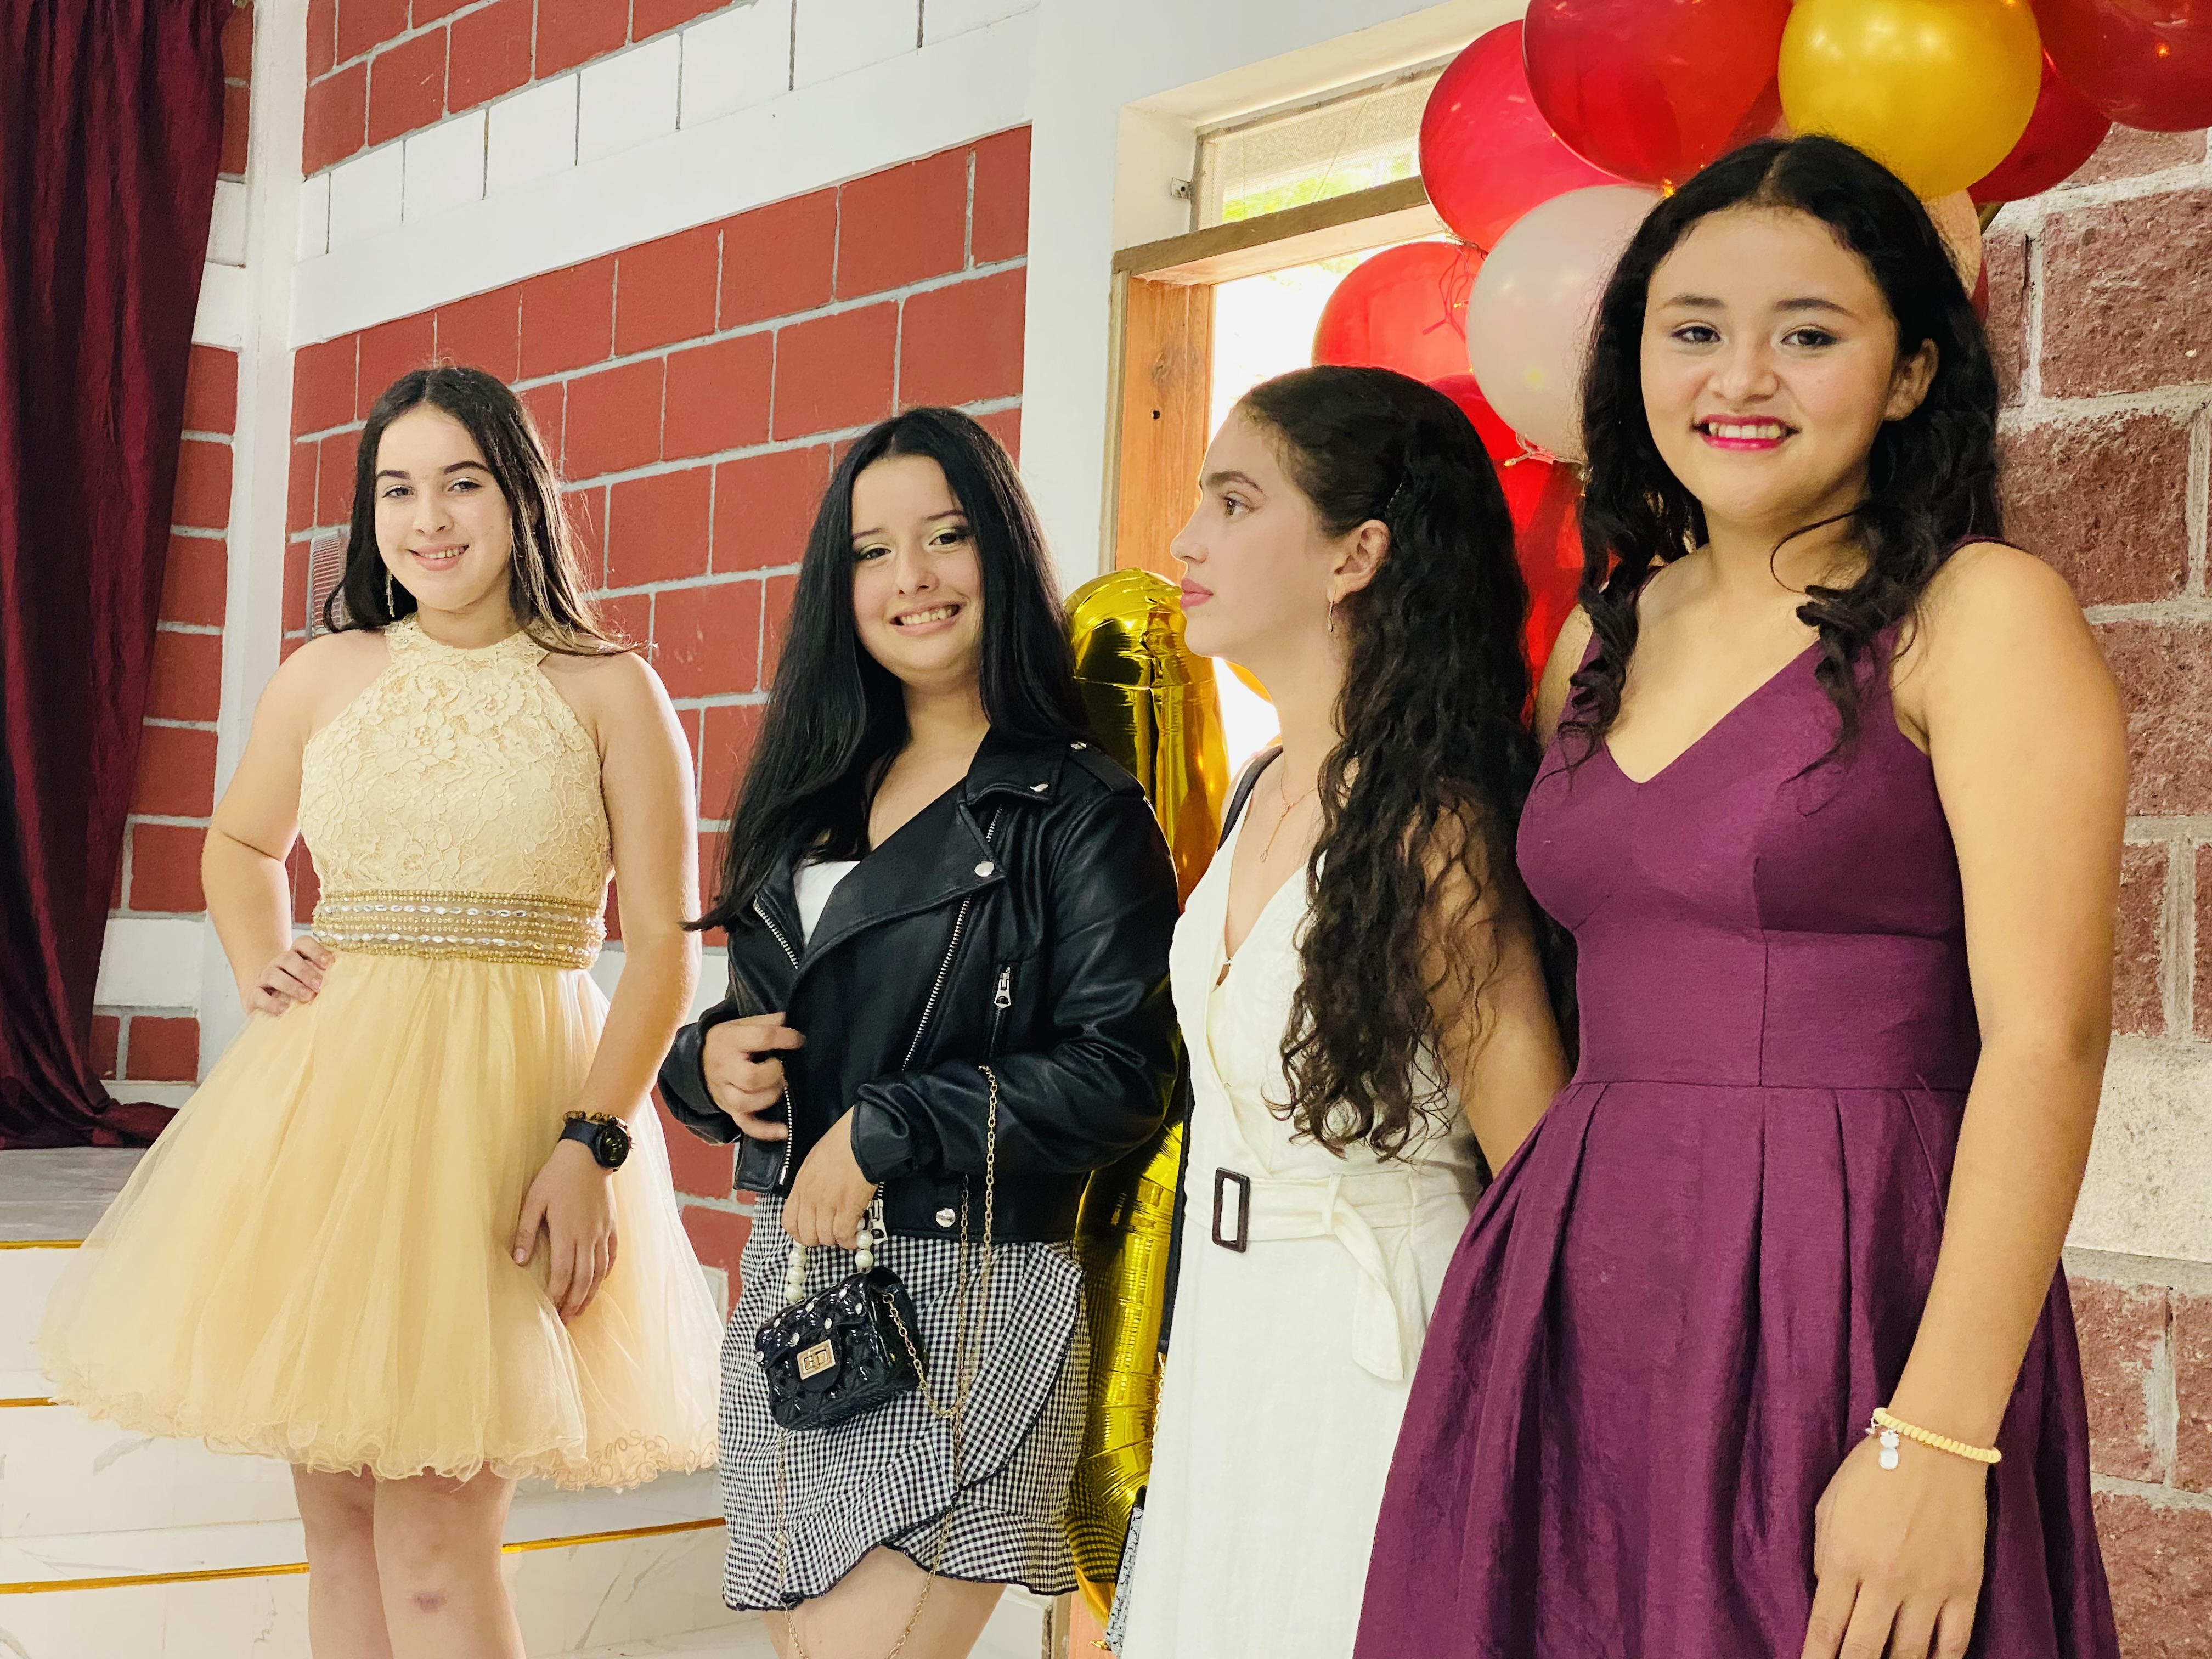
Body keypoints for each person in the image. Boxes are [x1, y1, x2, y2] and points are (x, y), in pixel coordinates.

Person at [1358, 136, 2123, 1659]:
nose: (1740, 377)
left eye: (1810, 334)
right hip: (1578, 1286)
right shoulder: (1608, 632)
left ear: (1911, 374)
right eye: (1694, 328)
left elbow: (2050, 1042)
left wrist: (1939, 1436)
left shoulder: (1981, 612)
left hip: (1855, 1287)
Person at [40, 366, 723, 1659]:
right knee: (341, 1519)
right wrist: (263, 957)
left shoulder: (608, 688)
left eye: (462, 483)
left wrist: (593, 1144)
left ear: (520, 497)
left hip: (510, 1121)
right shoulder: (326, 675)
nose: (429, 518)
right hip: (335, 1113)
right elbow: (240, 844)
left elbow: (662, 956)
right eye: (397, 490)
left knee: (437, 1545)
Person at [656, 406, 1181, 1659]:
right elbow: (778, 1023)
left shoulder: (1078, 809)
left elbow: (1126, 1074)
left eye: (947, 537)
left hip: (978, 1290)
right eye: (873, 551)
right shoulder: (806, 799)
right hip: (803, 1287)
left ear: (1001, 553)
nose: (914, 578)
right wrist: (706, 1065)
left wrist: (893, 1126)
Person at [1116, 365, 1572, 1659]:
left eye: (1234, 501)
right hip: (1229, 1331)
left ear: (1355, 555)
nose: (1185, 541)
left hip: (1377, 1351)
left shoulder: (1435, 827)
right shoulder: (1264, 784)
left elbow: (1536, 1169)